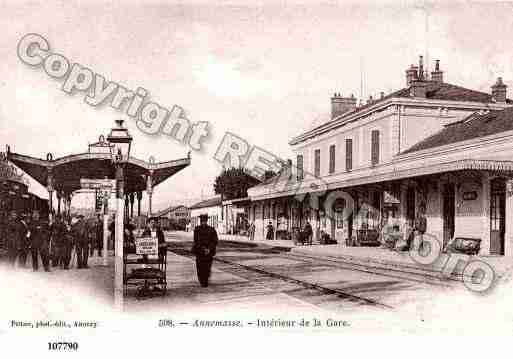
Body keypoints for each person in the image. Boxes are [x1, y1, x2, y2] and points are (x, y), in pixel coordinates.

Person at [192, 214, 218, 287]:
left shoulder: (212, 229)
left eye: (205, 221)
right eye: (202, 221)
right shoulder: (197, 229)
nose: (203, 222)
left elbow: (215, 241)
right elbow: (196, 241)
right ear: (200, 221)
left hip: (209, 253)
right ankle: (201, 280)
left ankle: (205, 281)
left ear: (207, 221)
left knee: (207, 267)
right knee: (200, 267)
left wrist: (209, 249)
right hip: (200, 252)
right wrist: (204, 249)